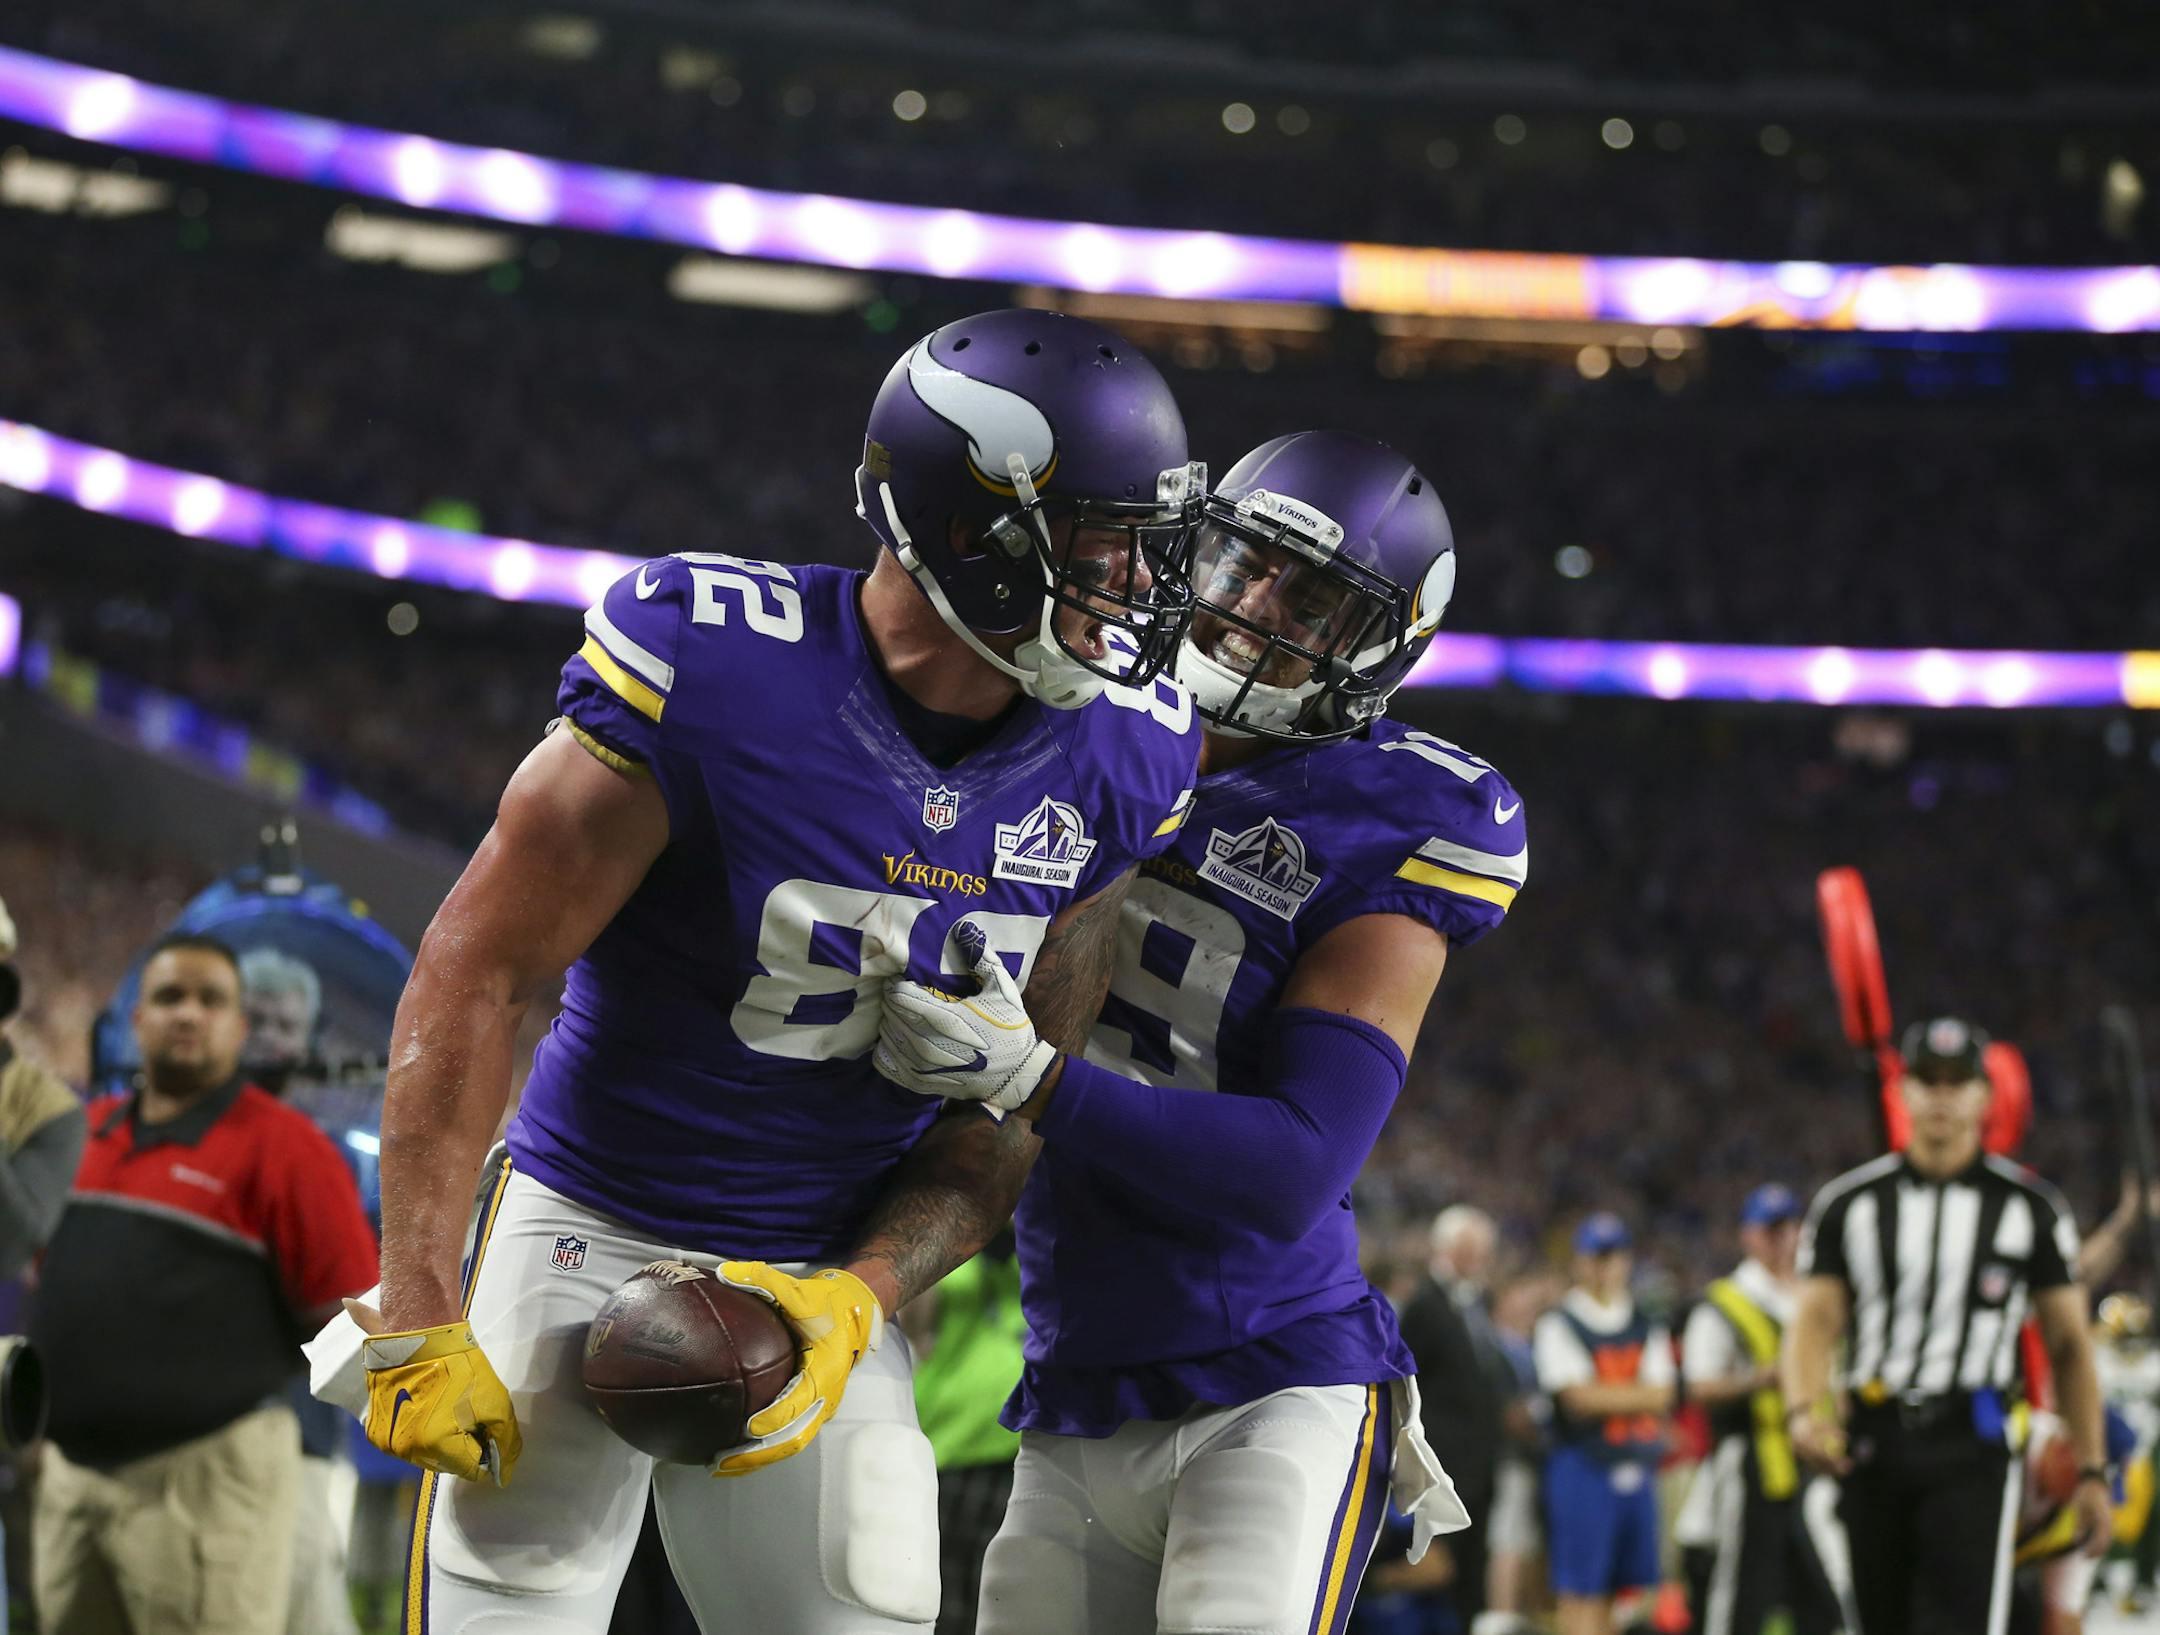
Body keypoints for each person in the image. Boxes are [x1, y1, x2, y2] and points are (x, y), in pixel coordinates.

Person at [319, 308, 1207, 1633]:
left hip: (816, 1269)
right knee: (510, 1598)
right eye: (1100, 545)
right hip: (589, 1212)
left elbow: (1014, 1104)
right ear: (970, 530)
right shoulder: (716, 665)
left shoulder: (1126, 752)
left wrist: (859, 1295)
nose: (1134, 588)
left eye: (1147, 547)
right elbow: (478, 972)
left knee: (866, 1608)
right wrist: (419, 1302)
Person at [874, 430, 1516, 1635]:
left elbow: (1293, 1170)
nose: (1255, 608)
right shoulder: (1068, 718)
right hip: (1072, 1385)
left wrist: (1035, 1080)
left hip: (1271, 1383)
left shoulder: (1390, 818)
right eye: (1245, 564)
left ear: (1381, 650)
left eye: (1312, 600)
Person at [30, 933, 378, 1635]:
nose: (188, 1013)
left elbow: (354, 1319)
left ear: (238, 1027)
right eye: (169, 997)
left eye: (210, 1000)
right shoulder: (81, 1134)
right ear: (138, 1019)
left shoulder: (290, 1149)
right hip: (70, 1480)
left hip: (207, 1481)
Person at [1784, 1015, 2112, 1635]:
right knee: (1876, 1622)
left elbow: (2070, 1346)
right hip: (1873, 1439)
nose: (1941, 1096)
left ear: (1984, 1096)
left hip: (1972, 1444)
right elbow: (1814, 1321)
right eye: (1926, 1080)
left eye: (1956, 1082)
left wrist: (2092, 1469)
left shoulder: (2029, 1209)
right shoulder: (1849, 1204)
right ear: (1901, 1091)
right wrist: (1803, 1410)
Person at [1677, 1184, 1842, 1635]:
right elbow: (1699, 1383)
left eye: (1791, 1227)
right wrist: (1760, 1378)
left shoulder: (1816, 1294)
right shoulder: (1726, 1301)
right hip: (1751, 1459)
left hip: (1815, 1461)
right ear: (1749, 1236)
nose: (1785, 1239)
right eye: (1772, 1230)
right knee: (1743, 1593)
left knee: (1821, 1593)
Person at [1532, 1213, 1674, 1635]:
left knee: (1624, 1588)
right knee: (1580, 1588)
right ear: (1580, 1261)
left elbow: (1663, 1394)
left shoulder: (1643, 1319)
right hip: (1582, 1467)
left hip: (1636, 1464)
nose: (1606, 1267)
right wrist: (1635, 1395)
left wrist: (1605, 1395)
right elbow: (1577, 1399)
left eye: (1614, 1256)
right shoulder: (1559, 1321)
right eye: (1598, 1257)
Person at [1399, 1205, 1514, 1631]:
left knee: (1471, 1576)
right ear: (1446, 1248)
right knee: (1440, 1578)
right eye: (1471, 1247)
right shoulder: (1424, 1306)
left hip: (1479, 1466)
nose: (1481, 1257)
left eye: (1484, 1248)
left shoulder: (1475, 1303)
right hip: (1444, 1466)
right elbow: (1406, 1386)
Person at [906, 1233, 1026, 1635]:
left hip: (1036, 1449)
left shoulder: (1054, 1242)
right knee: (942, 1607)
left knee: (1012, 1608)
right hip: (957, 1451)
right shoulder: (954, 1251)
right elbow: (911, 1324)